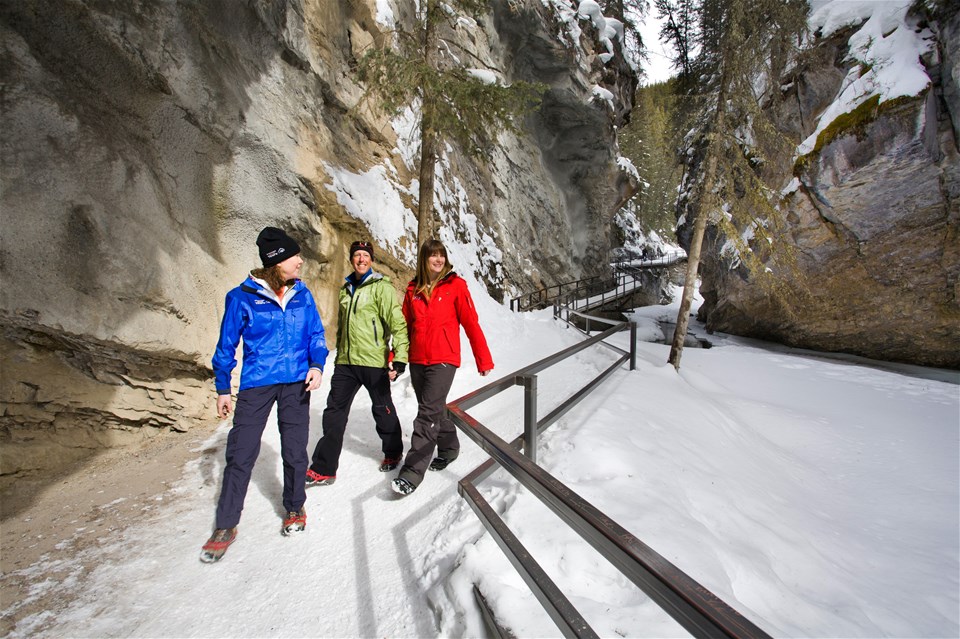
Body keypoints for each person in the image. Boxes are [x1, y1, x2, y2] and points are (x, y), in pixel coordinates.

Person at [201, 227, 329, 563]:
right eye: (294, 257)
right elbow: (226, 346)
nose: (301, 262)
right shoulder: (241, 297)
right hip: (257, 383)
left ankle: (294, 506)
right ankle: (226, 524)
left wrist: (316, 365)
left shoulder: (303, 295)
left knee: (295, 450)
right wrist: (223, 388)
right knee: (240, 452)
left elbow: (317, 334)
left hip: (296, 383)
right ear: (276, 261)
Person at [392, 239, 494, 496]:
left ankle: (412, 472)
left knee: (426, 413)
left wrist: (483, 359)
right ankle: (449, 447)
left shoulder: (456, 286)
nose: (438, 260)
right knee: (433, 409)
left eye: (441, 256)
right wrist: (396, 355)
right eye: (432, 256)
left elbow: (471, 323)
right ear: (424, 260)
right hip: (417, 359)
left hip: (443, 359)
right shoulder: (413, 288)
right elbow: (403, 326)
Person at [305, 241, 409, 486]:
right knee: (333, 413)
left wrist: (400, 357)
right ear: (352, 259)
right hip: (346, 363)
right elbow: (343, 328)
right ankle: (324, 468)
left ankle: (393, 451)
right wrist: (339, 353)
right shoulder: (345, 289)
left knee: (382, 409)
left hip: (373, 361)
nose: (361, 259)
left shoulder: (381, 288)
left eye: (365, 255)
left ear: (371, 260)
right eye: (357, 256)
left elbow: (398, 324)